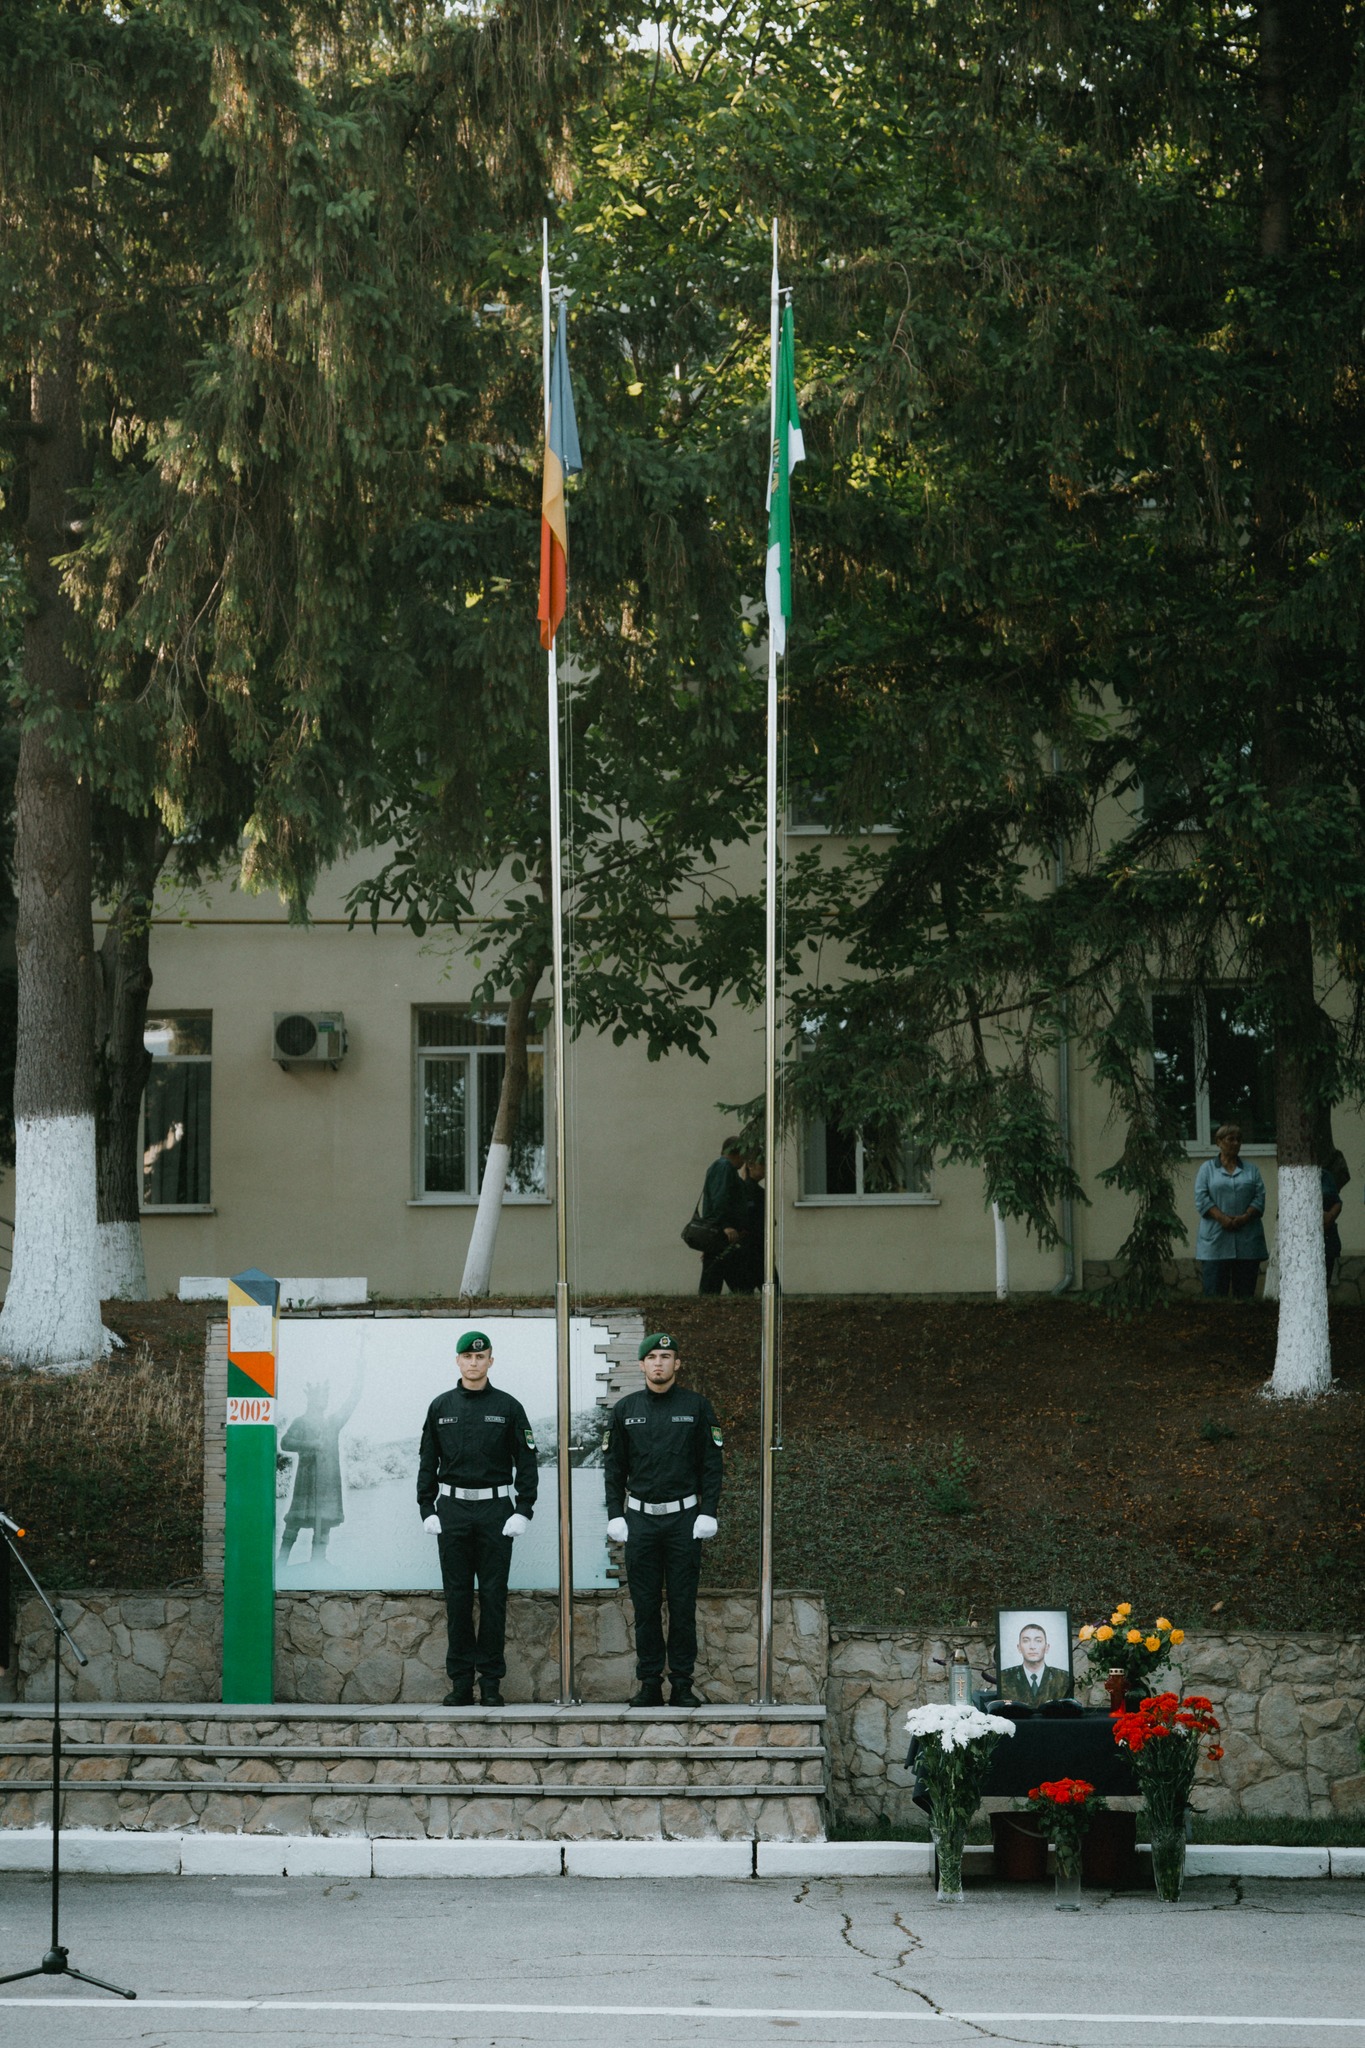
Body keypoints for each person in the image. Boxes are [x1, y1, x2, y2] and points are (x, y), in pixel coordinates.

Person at [417, 1330, 539, 1707]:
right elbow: (426, 1461)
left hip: (495, 1513)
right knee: (456, 1599)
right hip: (451, 1512)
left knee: (492, 1598)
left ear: (490, 1361)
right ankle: (460, 1683)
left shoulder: (508, 1407)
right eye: (467, 1357)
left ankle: (490, 1683)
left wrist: (523, 1509)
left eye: (480, 1357)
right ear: (457, 1361)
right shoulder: (440, 1407)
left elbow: (528, 1461)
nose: (473, 1362)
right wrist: (426, 1508)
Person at [603, 1333, 724, 1708]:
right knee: (645, 1606)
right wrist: (615, 1515)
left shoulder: (697, 1407)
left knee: (683, 1606)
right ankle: (650, 1682)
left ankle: (683, 1683)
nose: (659, 1363)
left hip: (683, 1520)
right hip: (640, 1521)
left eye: (666, 1356)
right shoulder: (625, 1410)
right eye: (652, 1356)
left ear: (677, 1363)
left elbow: (712, 1465)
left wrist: (708, 1511)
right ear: (641, 1365)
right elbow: (613, 1469)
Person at [278, 1366, 363, 1564]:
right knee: (295, 1520)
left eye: (326, 1397)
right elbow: (285, 1442)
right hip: (306, 1481)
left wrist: (360, 1377)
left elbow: (351, 1402)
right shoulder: (301, 1422)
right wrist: (310, 1444)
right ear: (311, 1399)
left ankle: (319, 1560)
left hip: (327, 1482)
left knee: (324, 1522)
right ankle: (281, 1561)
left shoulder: (332, 1423)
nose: (324, 1401)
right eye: (321, 1397)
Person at [1194, 1122, 1268, 1299]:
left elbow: (1259, 1196)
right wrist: (1222, 1219)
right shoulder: (1206, 1169)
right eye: (1230, 1139)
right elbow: (1201, 1198)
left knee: (1244, 1296)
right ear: (1219, 1142)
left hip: (1247, 1241)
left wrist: (1244, 1217)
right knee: (1214, 1297)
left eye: (1239, 1140)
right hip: (1215, 1242)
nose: (1235, 1143)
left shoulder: (1251, 1170)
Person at [696, 1137, 751, 1295]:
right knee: (730, 1282)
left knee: (715, 1278)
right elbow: (721, 1198)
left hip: (719, 1235)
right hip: (724, 1235)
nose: (745, 1159)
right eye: (744, 1154)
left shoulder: (719, 1168)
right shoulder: (724, 1167)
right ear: (737, 1152)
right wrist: (726, 1225)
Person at [997, 1621, 1072, 1705]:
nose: (1032, 1646)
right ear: (1019, 1648)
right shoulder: (1005, 1677)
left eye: (1038, 1641)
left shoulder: (1063, 1678)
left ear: (1047, 1647)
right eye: (1026, 1641)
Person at [1323, 1166, 1344, 1285]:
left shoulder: (1326, 1176)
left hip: (1327, 1238)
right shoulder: (1293, 1174)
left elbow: (1337, 1202)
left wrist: (1330, 1215)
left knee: (1325, 1281)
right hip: (1303, 1242)